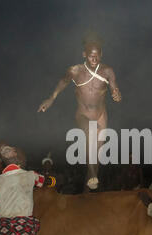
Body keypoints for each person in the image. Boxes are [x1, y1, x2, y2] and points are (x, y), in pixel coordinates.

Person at [37, 33, 122, 191]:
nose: (94, 60)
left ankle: (88, 187)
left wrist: (116, 93)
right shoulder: (75, 70)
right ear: (84, 54)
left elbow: (114, 87)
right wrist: (51, 98)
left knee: (97, 153)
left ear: (101, 54)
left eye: (97, 56)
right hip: (83, 114)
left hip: (101, 115)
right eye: (91, 56)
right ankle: (91, 175)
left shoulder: (107, 71)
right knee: (90, 131)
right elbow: (63, 82)